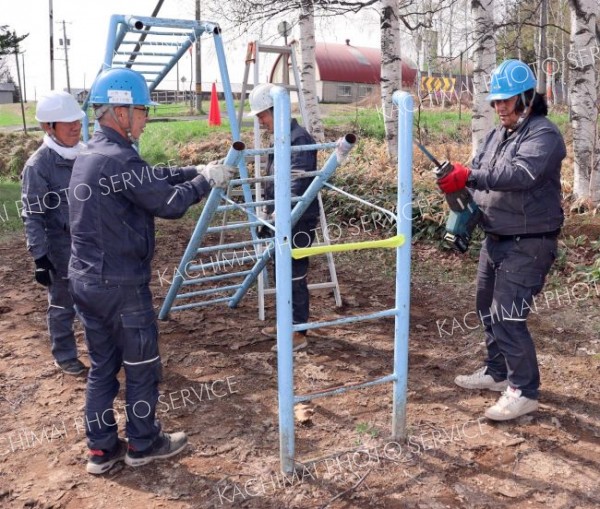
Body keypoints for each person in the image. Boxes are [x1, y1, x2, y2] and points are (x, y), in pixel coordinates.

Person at [68, 67, 236, 474]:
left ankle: (101, 450)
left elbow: (149, 179)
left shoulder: (93, 154)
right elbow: (170, 204)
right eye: (142, 110)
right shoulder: (119, 158)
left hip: (87, 282)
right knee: (142, 367)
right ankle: (144, 443)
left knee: (103, 368)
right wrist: (205, 183)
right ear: (120, 111)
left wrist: (193, 169)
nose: (146, 118)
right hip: (121, 286)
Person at [438, 59, 565, 421]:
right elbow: (480, 179)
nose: (500, 108)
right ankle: (497, 372)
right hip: (496, 238)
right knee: (485, 308)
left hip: (531, 242)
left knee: (507, 316)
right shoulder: (497, 135)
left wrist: (471, 176)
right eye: (496, 101)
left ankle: (524, 391)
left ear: (527, 97)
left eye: (508, 100)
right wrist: (459, 209)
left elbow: (519, 174)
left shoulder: (544, 134)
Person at [249, 83, 320, 352]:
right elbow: (273, 183)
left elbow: (295, 183)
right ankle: (285, 325)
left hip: (298, 219)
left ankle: (298, 332)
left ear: (274, 110)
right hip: (282, 218)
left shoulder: (298, 139)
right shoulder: (280, 137)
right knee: (281, 272)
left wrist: (278, 216)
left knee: (294, 275)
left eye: (261, 116)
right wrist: (268, 215)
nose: (260, 121)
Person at [21, 91, 87, 376]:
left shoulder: (85, 154)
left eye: (78, 121)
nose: (76, 127)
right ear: (49, 127)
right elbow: (32, 214)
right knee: (62, 305)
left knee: (97, 300)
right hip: (60, 248)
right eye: (67, 122)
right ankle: (65, 355)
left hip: (91, 242)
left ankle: (105, 350)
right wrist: (40, 258)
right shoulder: (38, 166)